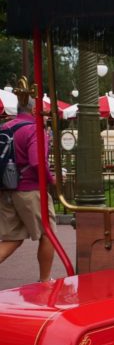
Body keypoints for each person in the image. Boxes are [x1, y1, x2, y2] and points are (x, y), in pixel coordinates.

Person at [0, 95, 57, 282]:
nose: (45, 114)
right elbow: (36, 161)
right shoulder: (34, 129)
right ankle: (45, 280)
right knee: (48, 234)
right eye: (43, 110)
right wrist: (51, 179)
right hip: (30, 190)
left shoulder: (5, 128)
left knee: (12, 238)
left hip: (6, 190)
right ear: (34, 110)